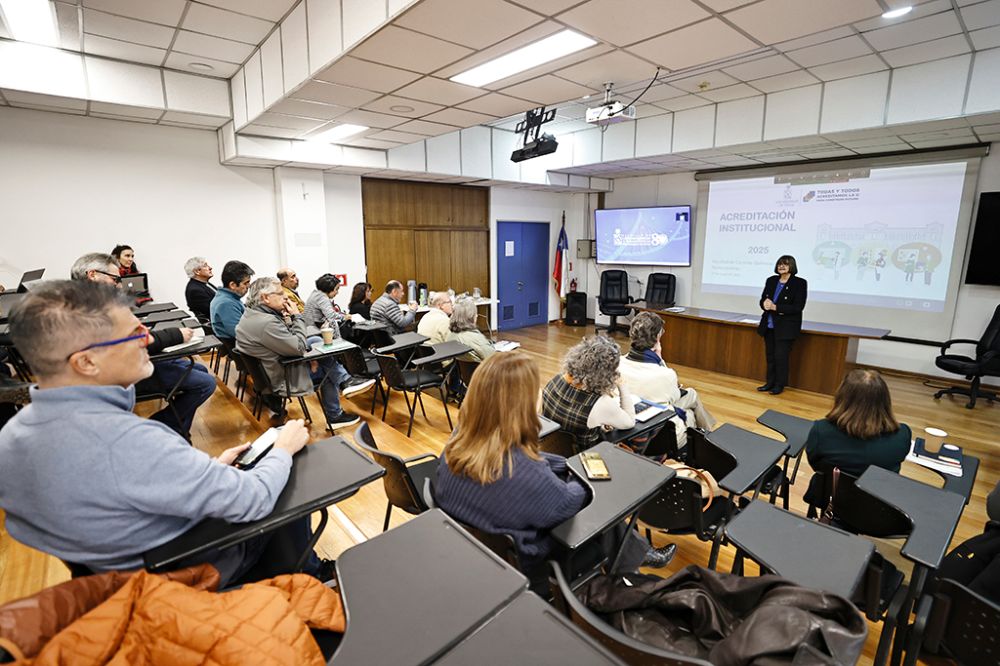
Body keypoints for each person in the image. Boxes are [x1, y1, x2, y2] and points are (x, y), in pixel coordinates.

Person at [0, 280, 329, 585]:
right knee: (287, 479)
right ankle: (309, 579)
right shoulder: (128, 442)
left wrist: (209, 471)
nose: (148, 339)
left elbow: (116, 494)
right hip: (187, 572)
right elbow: (251, 500)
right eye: (134, 333)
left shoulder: (14, 434)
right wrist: (284, 448)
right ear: (86, 362)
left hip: (114, 572)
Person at [435, 352, 675, 594]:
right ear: (522, 406)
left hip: (476, 555)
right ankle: (631, 576)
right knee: (602, 510)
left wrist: (563, 465)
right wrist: (582, 473)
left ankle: (637, 552)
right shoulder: (526, 476)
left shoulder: (455, 446)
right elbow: (573, 499)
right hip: (530, 571)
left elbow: (533, 466)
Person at [71, 253, 216, 438]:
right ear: (93, 275)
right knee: (205, 383)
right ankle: (162, 427)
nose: (118, 284)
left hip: (127, 363)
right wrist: (175, 335)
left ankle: (177, 430)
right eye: (115, 279)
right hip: (121, 375)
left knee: (201, 372)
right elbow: (132, 342)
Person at [235, 277, 373, 428]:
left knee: (314, 340)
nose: (286, 296)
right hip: (283, 376)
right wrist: (296, 316)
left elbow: (287, 338)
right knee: (327, 371)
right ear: (265, 298)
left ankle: (345, 381)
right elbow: (299, 347)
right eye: (281, 294)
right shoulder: (266, 323)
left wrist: (287, 320)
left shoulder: (252, 315)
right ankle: (336, 413)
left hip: (271, 368)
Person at [804, 369, 911, 504]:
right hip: (883, 506)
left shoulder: (821, 430)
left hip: (832, 500)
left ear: (842, 397)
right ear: (885, 400)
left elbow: (816, 465)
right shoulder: (902, 434)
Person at [618, 312, 716, 446]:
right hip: (658, 436)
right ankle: (709, 438)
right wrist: (660, 359)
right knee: (690, 410)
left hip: (628, 424)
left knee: (691, 395)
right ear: (657, 339)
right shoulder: (665, 374)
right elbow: (674, 396)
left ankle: (709, 435)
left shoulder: (617, 363)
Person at [541, 335, 636, 451]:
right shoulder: (601, 403)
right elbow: (630, 422)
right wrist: (622, 385)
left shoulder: (556, 380)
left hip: (552, 449)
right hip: (585, 458)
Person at [756, 255, 807, 395]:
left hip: (786, 327)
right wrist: (764, 304)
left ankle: (779, 385)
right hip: (769, 325)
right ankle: (769, 383)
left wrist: (775, 307)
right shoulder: (771, 280)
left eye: (785, 264)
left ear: (792, 266)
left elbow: (798, 307)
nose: (781, 266)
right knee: (770, 357)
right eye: (779, 264)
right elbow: (763, 300)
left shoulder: (800, 283)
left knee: (781, 357)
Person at [210, 260, 254, 340]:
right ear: (233, 285)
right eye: (245, 283)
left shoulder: (227, 297)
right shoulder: (226, 304)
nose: (249, 286)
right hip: (240, 346)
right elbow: (241, 333)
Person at [446, 296, 494, 363]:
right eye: (475, 314)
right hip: (482, 371)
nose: (477, 316)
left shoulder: (450, 335)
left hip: (463, 372)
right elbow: (494, 359)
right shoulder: (476, 339)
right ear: (471, 317)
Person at [183, 256, 216, 323]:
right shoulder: (195, 290)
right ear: (197, 271)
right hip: (219, 326)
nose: (210, 268)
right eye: (205, 266)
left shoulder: (203, 284)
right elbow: (214, 310)